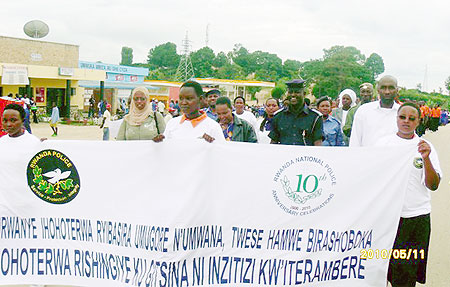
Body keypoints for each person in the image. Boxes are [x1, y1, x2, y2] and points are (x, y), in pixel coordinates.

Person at [375, 103, 441, 287]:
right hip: (388, 218)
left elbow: (433, 185)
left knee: (407, 273)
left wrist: (426, 158)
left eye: (412, 119)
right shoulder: (382, 144)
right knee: (384, 267)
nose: (406, 121)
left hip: (416, 219)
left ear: (419, 121)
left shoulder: (425, 147)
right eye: (402, 117)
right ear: (396, 118)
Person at [349, 75, 401, 147]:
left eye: (391, 88)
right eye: (383, 88)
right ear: (378, 90)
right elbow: (355, 141)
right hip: (368, 157)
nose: (387, 92)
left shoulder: (403, 113)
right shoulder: (363, 111)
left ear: (397, 90)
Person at [269, 79, 322, 146]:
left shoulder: (316, 117)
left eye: (297, 92)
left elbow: (318, 144)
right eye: (290, 92)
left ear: (304, 94)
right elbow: (273, 143)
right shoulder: (278, 116)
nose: (293, 95)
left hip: (305, 156)